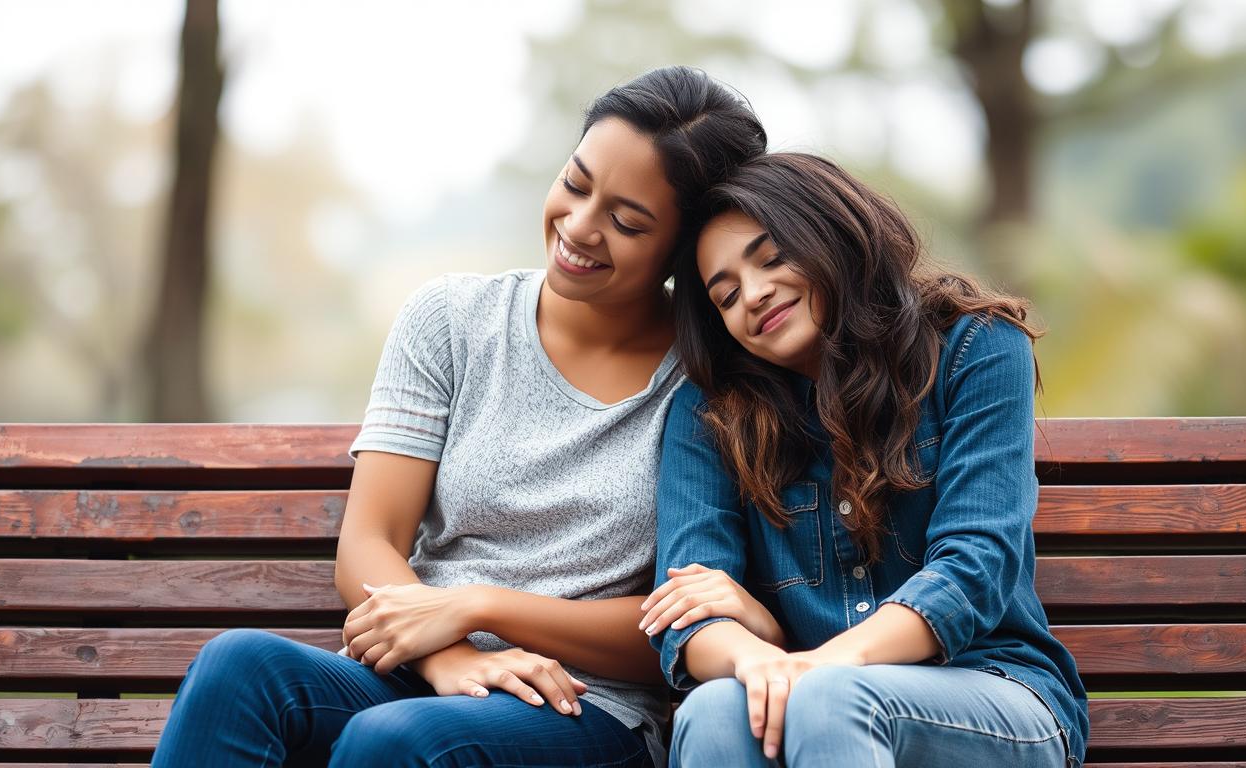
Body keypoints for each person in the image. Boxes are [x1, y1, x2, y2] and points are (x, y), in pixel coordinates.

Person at [150, 66, 766, 768]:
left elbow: (679, 625)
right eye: (575, 182)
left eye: (627, 222)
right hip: (418, 669)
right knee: (240, 668)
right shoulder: (451, 321)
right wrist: (449, 659)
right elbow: (370, 542)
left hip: (584, 707)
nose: (580, 226)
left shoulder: (710, 386)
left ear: (681, 251)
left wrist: (481, 607)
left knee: (398, 741)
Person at [642, 152, 1089, 767]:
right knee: (714, 713)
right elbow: (686, 611)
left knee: (832, 699)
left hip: (992, 690)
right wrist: (759, 650)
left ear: (831, 233)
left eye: (773, 259)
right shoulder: (711, 413)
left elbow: (975, 567)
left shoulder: (973, 348)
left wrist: (821, 665)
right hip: (809, 696)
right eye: (725, 295)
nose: (754, 294)